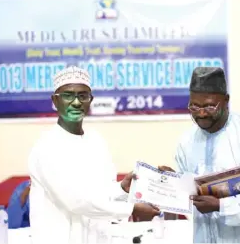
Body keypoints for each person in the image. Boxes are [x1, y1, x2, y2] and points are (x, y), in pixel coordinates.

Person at [28, 66, 160, 243]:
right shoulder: (46, 147)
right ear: (55, 100)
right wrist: (132, 209)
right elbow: (76, 201)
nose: (76, 102)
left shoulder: (96, 141)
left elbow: (100, 193)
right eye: (68, 95)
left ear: (90, 100)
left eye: (83, 96)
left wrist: (121, 187)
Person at [159, 67, 240, 243]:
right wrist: (173, 181)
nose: (201, 113)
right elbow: (189, 195)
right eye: (194, 106)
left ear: (226, 100)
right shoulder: (186, 143)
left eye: (210, 106)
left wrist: (222, 206)